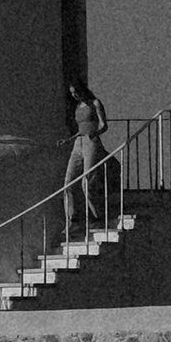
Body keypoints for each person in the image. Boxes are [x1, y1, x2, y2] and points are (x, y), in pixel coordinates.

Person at [63, 85, 110, 245]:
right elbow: (79, 129)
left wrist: (95, 133)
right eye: (72, 93)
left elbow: (104, 125)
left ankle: (97, 216)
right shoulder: (78, 106)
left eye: (77, 91)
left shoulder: (95, 103)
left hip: (91, 141)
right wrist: (68, 140)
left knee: (87, 181)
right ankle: (73, 220)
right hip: (78, 142)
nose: (75, 95)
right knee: (68, 182)